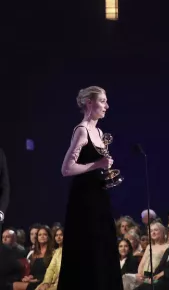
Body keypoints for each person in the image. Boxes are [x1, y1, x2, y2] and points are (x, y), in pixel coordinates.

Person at [56, 86, 123, 290]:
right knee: (88, 249)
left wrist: (105, 169)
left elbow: (96, 165)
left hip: (99, 196)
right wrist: (97, 165)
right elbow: (66, 169)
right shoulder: (82, 130)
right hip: (83, 202)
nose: (106, 106)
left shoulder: (100, 132)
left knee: (104, 248)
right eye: (102, 101)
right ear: (89, 103)